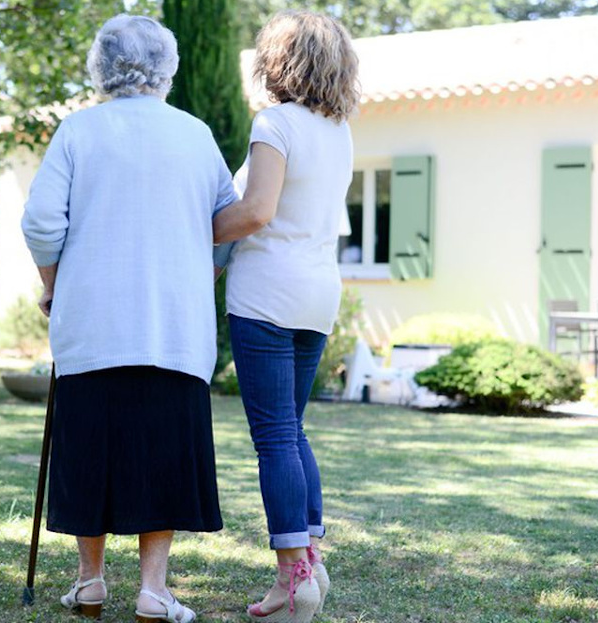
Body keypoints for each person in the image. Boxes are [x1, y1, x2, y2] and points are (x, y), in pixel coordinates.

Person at [21, 14, 237, 623]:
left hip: (91, 324)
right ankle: (153, 591)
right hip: (172, 326)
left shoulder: (78, 131)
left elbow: (41, 222)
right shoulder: (194, 134)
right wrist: (203, 272)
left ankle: (90, 583)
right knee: (163, 456)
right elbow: (228, 222)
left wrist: (53, 284)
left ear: (100, 64)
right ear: (167, 66)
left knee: (88, 451)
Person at [213, 10, 360, 622]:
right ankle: (311, 563)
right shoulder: (341, 130)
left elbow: (255, 212)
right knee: (293, 430)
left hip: (267, 295)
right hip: (317, 294)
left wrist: (190, 233)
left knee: (274, 436)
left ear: (278, 62)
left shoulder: (275, 123)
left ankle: (293, 577)